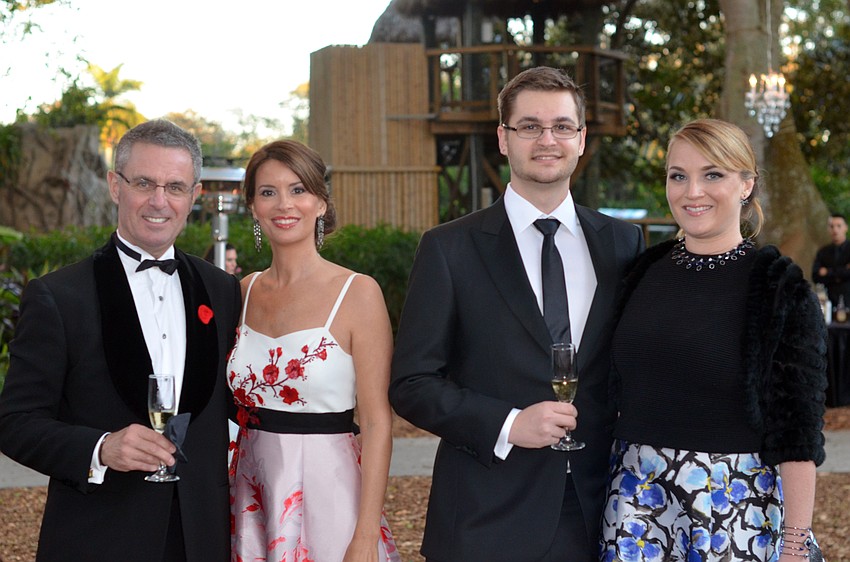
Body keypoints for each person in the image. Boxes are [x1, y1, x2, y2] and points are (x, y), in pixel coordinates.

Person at [389, 66, 645, 562]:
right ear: (503, 139)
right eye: (529, 126)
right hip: (485, 514)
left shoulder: (623, 242)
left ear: (581, 138)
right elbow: (413, 382)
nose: (547, 139)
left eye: (562, 126)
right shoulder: (448, 248)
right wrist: (508, 424)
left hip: (600, 511)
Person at [0, 119, 242, 561]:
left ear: (194, 195)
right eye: (144, 183)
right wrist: (101, 448)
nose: (159, 201)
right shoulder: (58, 296)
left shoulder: (223, 291)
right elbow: (15, 422)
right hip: (99, 539)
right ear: (115, 186)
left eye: (174, 186)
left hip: (202, 539)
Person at [600, 118, 827, 561]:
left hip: (733, 506)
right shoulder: (642, 271)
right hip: (632, 505)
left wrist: (796, 544)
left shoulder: (780, 286)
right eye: (678, 175)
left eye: (713, 174)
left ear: (746, 184)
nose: (692, 191)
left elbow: (798, 432)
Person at [227, 139, 400, 561]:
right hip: (248, 493)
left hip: (331, 497)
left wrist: (363, 536)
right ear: (252, 207)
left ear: (321, 202)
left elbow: (378, 422)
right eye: (268, 192)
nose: (284, 204)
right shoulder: (242, 292)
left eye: (298, 189)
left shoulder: (358, 293)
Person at [812, 213, 850, 308]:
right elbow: (815, 276)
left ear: (846, 227)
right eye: (832, 226)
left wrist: (827, 272)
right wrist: (843, 271)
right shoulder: (823, 251)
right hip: (829, 301)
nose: (835, 229)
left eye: (839, 226)